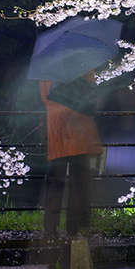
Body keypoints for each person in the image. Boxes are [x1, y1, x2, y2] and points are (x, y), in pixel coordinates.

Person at [40, 72, 104, 238]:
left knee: (55, 183)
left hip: (57, 131)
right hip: (79, 132)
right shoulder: (84, 68)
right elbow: (91, 101)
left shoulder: (48, 69)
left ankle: (50, 229)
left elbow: (46, 99)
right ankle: (74, 230)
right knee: (79, 184)